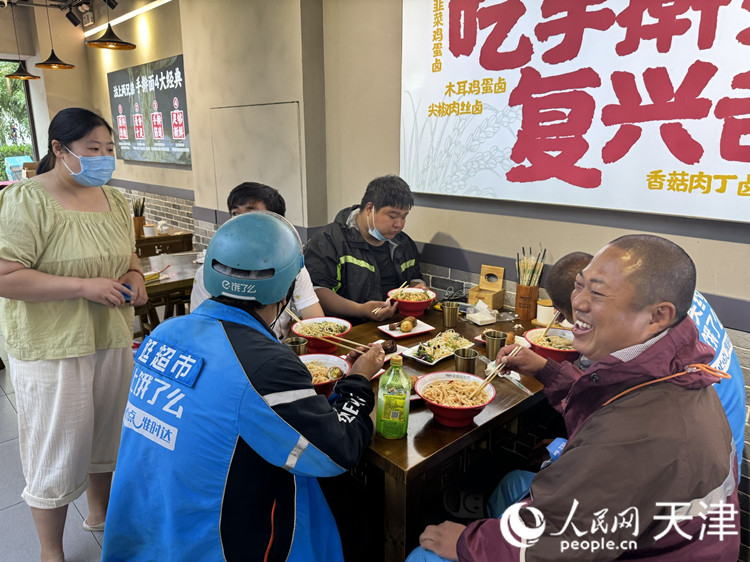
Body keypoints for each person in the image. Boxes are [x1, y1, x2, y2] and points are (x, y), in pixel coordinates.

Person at [409, 235, 739, 561]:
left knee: (425, 556)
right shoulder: (671, 363)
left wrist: (467, 543)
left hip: (631, 548)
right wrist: (546, 370)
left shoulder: (638, 433)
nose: (578, 303)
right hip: (645, 525)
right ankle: (495, 520)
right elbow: (604, 396)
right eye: (580, 285)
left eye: (597, 293)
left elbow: (557, 545)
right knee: (513, 485)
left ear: (657, 315)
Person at [102, 212, 384, 561]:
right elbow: (335, 454)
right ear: (288, 287)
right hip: (210, 544)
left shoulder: (163, 333)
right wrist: (357, 381)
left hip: (144, 531)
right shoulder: (264, 364)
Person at [0, 107, 147, 562]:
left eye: (109, 150)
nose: (104, 158)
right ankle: (51, 551)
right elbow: (5, 274)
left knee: (108, 436)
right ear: (59, 150)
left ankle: (100, 516)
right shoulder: (28, 199)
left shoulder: (115, 200)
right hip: (52, 347)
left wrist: (135, 277)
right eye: (92, 149)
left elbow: (129, 257)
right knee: (57, 447)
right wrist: (84, 287)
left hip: (110, 338)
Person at [190, 181, 324, 339]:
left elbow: (316, 322)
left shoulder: (293, 270)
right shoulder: (212, 271)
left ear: (276, 223)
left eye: (252, 215)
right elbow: (199, 330)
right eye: (235, 214)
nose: (242, 223)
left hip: (277, 352)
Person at [304, 174, 427, 322]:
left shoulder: (403, 243)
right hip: (350, 329)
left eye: (404, 216)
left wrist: (419, 290)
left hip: (397, 325)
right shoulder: (330, 240)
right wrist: (361, 310)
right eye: (392, 216)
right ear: (370, 209)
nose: (399, 224)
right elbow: (317, 292)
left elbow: (414, 277)